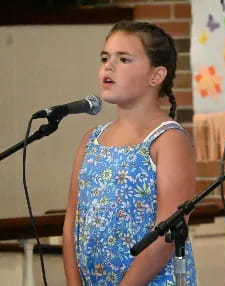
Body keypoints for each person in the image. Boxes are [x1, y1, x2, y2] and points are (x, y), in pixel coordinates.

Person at [62, 21, 197, 285]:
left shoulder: (168, 139)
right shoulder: (91, 140)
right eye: (105, 58)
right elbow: (71, 224)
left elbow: (166, 235)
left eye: (124, 59)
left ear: (156, 76)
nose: (109, 67)